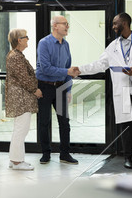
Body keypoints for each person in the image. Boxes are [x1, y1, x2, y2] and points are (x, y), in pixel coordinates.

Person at [78, 12, 132, 169]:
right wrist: (80, 70)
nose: (113, 26)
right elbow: (99, 65)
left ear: (125, 23)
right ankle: (128, 157)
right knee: (126, 127)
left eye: (115, 23)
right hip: (123, 92)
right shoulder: (113, 46)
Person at [36, 15, 80, 165]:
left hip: (61, 86)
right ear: (55, 26)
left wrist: (68, 89)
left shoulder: (66, 45)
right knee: (44, 121)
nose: (67, 27)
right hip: (44, 86)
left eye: (68, 24)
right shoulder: (44, 43)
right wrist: (67, 72)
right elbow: (45, 68)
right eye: (65, 24)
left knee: (64, 122)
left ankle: (65, 154)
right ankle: (45, 153)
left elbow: (68, 66)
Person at [5, 29, 43, 170]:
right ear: (19, 40)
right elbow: (24, 78)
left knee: (19, 129)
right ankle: (16, 162)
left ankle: (14, 159)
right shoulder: (15, 56)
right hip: (20, 98)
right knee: (21, 129)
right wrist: (35, 90)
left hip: (20, 96)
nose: (28, 39)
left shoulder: (17, 55)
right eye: (26, 37)